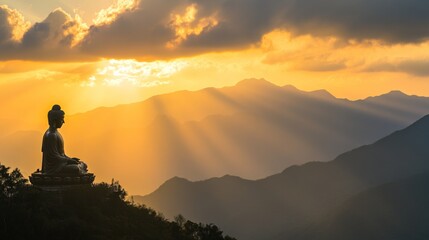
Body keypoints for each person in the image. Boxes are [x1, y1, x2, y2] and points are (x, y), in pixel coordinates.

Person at [41, 104, 88, 175]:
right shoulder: (51, 135)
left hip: (60, 164)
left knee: (83, 164)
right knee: (76, 169)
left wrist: (71, 159)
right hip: (54, 168)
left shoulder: (56, 133)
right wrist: (68, 160)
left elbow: (61, 154)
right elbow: (54, 157)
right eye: (62, 118)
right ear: (55, 120)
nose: (63, 121)